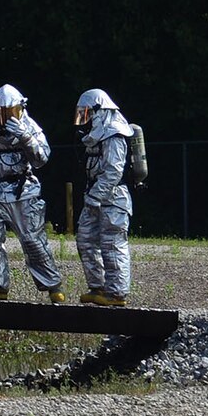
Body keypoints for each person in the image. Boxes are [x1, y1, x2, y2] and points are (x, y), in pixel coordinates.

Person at [0, 84, 66, 302]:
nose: (3, 118)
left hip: (23, 192)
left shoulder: (30, 128)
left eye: (8, 113)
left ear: (19, 109)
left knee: (33, 241)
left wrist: (26, 137)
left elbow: (41, 159)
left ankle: (52, 285)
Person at [75, 87, 134, 306]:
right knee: (85, 240)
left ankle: (116, 293)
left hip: (114, 199)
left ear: (99, 111)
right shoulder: (94, 136)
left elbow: (113, 171)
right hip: (94, 197)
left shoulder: (115, 133)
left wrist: (95, 196)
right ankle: (97, 287)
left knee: (112, 244)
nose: (84, 119)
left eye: (86, 113)